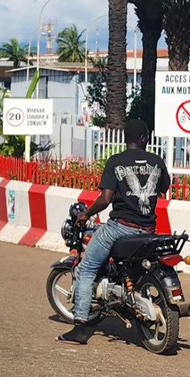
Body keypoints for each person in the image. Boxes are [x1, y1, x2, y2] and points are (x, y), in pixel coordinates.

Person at [59, 119, 170, 345]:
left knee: (87, 268)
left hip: (120, 228)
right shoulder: (157, 161)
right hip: (148, 229)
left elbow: (106, 199)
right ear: (143, 139)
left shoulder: (115, 161)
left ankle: (80, 326)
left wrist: (87, 214)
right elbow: (163, 188)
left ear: (127, 139)